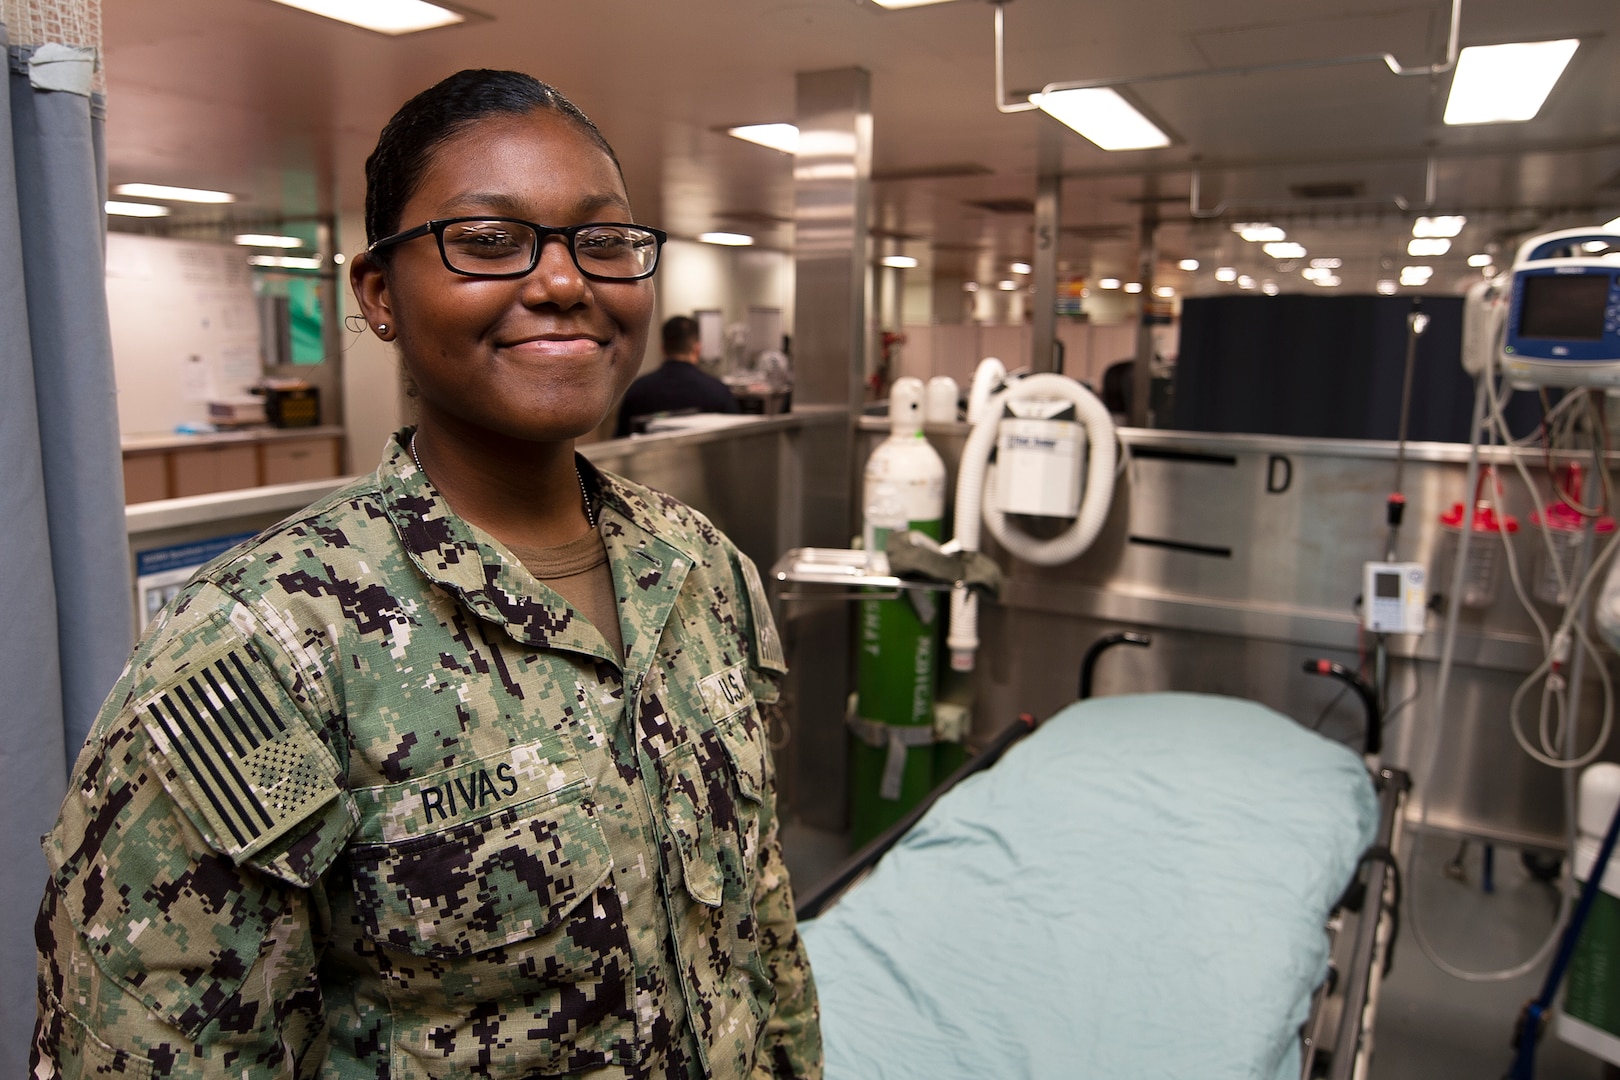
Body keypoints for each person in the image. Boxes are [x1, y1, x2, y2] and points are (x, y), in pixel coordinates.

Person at [33, 69, 821, 1079]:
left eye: (604, 241)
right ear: (379, 295)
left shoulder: (704, 571)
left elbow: (759, 923)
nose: (564, 282)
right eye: (488, 242)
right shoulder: (265, 650)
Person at [614, 316, 740, 436]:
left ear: (662, 349)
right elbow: (736, 439)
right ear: (697, 349)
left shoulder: (638, 390)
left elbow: (621, 441)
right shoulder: (718, 391)